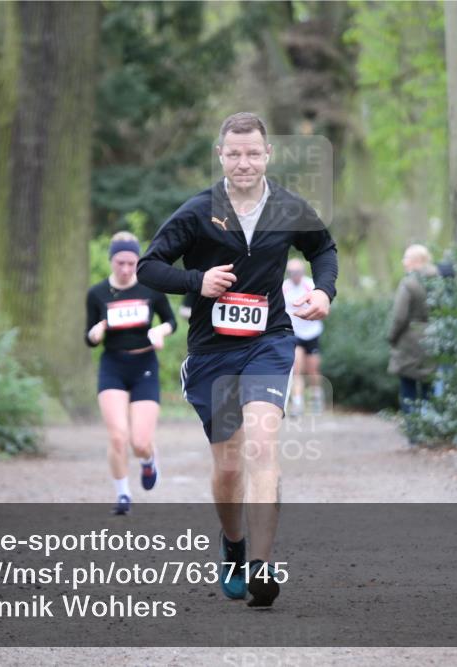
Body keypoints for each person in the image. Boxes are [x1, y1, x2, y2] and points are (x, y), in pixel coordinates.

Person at [137, 112, 338, 608]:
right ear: (220, 156)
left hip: (269, 341)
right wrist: (197, 281)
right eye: (234, 153)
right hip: (213, 352)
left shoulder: (288, 207)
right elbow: (149, 267)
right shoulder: (197, 211)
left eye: (252, 153)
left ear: (268, 154)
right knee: (228, 465)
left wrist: (323, 291)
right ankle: (233, 545)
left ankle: (262, 566)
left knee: (262, 445)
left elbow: (323, 249)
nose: (244, 162)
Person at [85, 232, 177, 515]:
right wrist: (95, 333)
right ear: (111, 261)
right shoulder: (97, 293)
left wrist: (159, 331)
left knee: (139, 442)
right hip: (112, 365)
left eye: (131, 263)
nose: (125, 269)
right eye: (120, 262)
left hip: (144, 365)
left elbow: (171, 321)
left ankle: (148, 460)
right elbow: (89, 338)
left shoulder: (150, 288)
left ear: (138, 261)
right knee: (117, 437)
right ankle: (123, 494)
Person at [388, 244, 437, 422]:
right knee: (429, 385)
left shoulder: (409, 283)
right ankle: (430, 425)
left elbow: (399, 317)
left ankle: (412, 427)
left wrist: (392, 337)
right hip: (435, 337)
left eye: (406, 258)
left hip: (410, 340)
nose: (403, 262)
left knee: (408, 386)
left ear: (416, 261)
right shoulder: (438, 280)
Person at [282, 258, 324, 416]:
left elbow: (322, 305)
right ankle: (298, 403)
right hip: (295, 333)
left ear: (303, 272)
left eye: (298, 272)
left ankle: (316, 397)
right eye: (292, 272)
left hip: (311, 332)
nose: (295, 275)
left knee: (312, 370)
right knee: (297, 368)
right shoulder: (284, 287)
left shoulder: (311, 285)